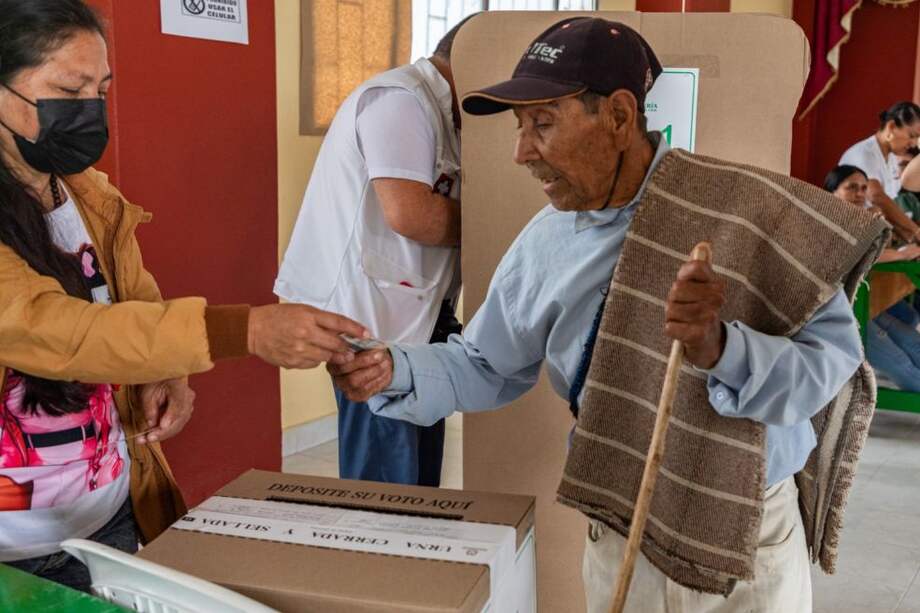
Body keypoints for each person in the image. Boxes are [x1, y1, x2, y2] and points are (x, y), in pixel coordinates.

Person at [330, 17, 887, 613]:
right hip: (622, 529)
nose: (521, 153)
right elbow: (485, 364)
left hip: (747, 537)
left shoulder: (751, 215)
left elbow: (828, 370)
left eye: (542, 124)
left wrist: (723, 349)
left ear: (620, 117)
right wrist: (395, 370)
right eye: (520, 128)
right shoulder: (548, 242)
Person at [0, 0, 367, 592]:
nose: (91, 109)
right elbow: (55, 330)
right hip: (14, 552)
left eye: (101, 89)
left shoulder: (88, 197)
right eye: (69, 89)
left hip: (108, 519)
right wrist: (243, 331)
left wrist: (164, 368)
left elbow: (131, 307)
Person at [274, 17, 474, 486]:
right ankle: (378, 560)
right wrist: (496, 224)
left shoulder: (446, 112)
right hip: (371, 321)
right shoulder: (401, 101)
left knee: (420, 477)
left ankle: (413, 558)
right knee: (385, 484)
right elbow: (412, 215)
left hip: (415, 319)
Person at [825, 165, 920, 392]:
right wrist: (901, 254)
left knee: (914, 343)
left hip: (865, 305)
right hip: (839, 313)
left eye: (863, 188)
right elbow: (855, 253)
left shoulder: (862, 217)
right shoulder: (828, 221)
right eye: (851, 188)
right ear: (832, 191)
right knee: (901, 363)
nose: (859, 193)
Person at [840, 101, 920, 242]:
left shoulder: (892, 159)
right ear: (891, 126)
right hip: (852, 235)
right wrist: (916, 231)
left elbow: (891, 205)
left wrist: (908, 236)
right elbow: (876, 196)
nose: (913, 143)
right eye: (912, 135)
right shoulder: (865, 153)